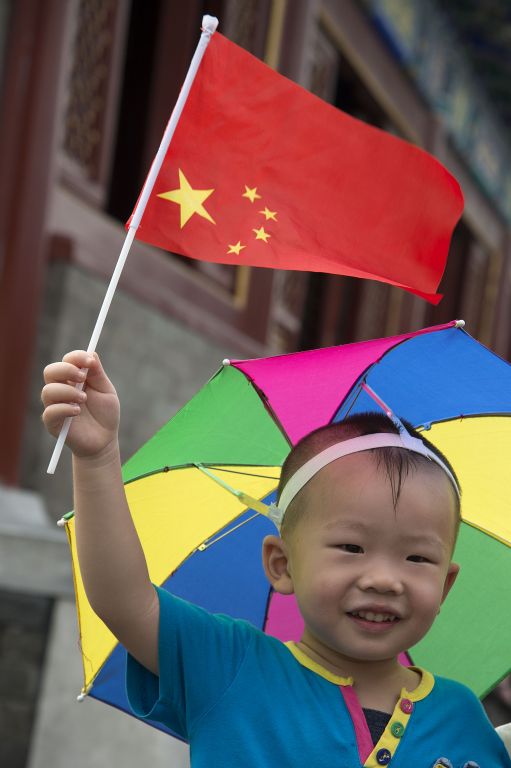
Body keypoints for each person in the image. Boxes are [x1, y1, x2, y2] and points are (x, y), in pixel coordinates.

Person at [42, 350, 511, 767]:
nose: (385, 579)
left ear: (446, 586)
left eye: (416, 558)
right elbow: (124, 600)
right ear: (281, 564)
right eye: (352, 548)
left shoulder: (462, 717)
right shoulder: (231, 667)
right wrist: (98, 457)